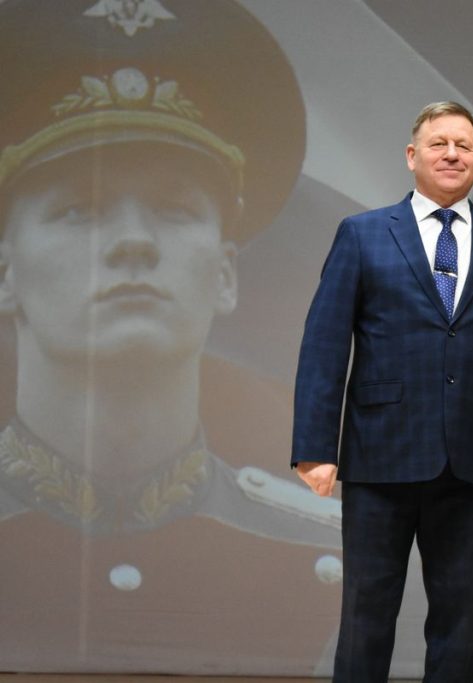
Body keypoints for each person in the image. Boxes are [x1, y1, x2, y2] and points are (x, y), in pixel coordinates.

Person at [0, 0, 343, 671]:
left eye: (175, 208)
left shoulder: (329, 558)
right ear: (7, 273)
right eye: (80, 209)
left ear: (225, 274)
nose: (133, 241)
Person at [292, 100, 473, 682]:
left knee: (460, 622)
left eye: (463, 145)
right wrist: (315, 447)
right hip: (380, 454)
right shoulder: (363, 234)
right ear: (411, 155)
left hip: (470, 459)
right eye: (438, 143)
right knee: (366, 615)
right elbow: (325, 344)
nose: (451, 154)